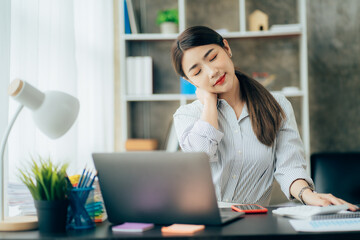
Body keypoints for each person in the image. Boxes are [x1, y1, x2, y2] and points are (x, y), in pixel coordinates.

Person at [171, 26, 358, 210]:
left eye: (212, 57)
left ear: (227, 48)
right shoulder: (187, 115)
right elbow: (201, 155)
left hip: (253, 221)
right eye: (197, 72)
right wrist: (210, 102)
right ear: (190, 81)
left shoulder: (277, 106)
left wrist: (308, 195)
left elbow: (289, 167)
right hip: (204, 220)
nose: (212, 72)